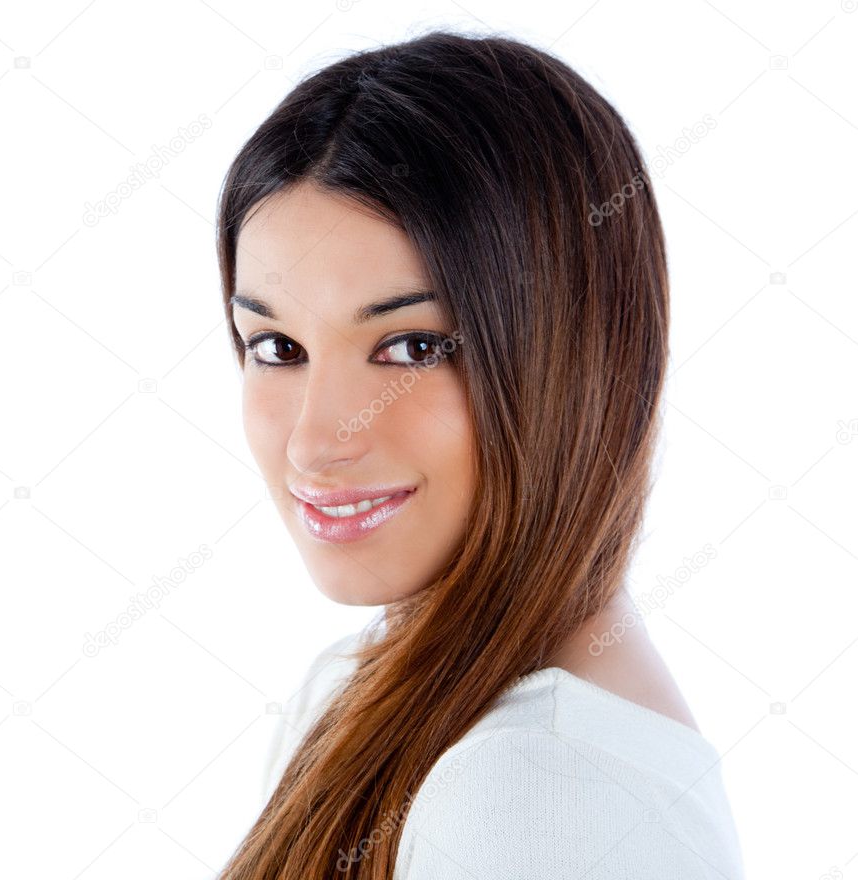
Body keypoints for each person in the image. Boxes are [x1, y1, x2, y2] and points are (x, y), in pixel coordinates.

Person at [214, 27, 746, 879]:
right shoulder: (365, 688)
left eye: (412, 347)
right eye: (276, 347)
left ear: (577, 355)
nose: (317, 441)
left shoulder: (538, 792)